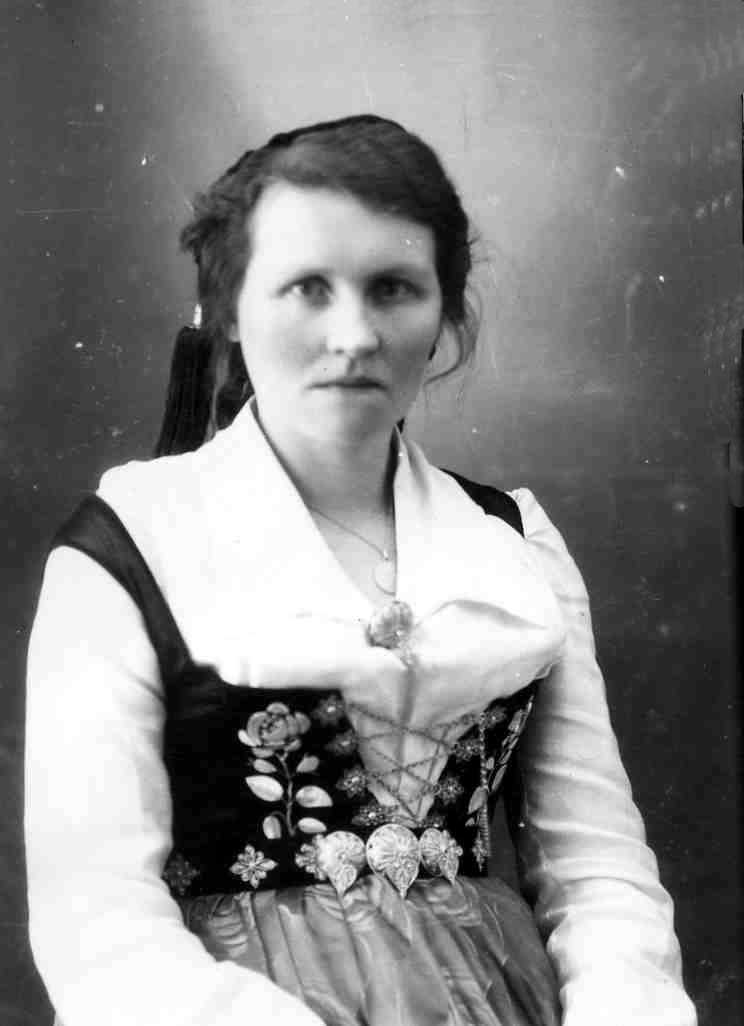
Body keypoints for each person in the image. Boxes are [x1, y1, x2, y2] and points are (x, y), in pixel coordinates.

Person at [25, 114, 697, 1026]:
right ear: (231, 309)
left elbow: (598, 864)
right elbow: (95, 918)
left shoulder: (511, 539)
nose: (355, 334)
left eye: (393, 289)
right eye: (308, 288)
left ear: (444, 313)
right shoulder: (130, 543)